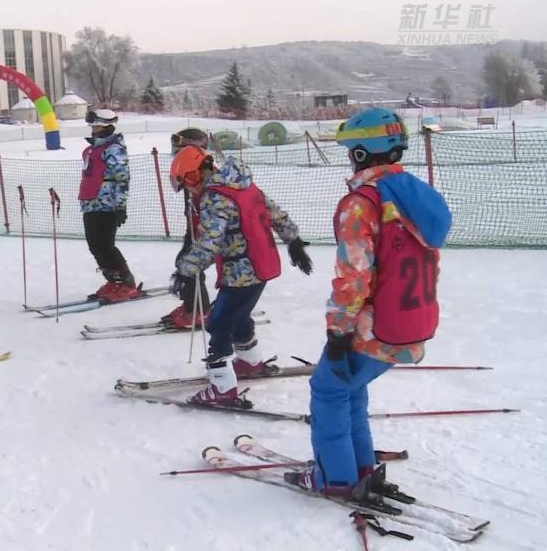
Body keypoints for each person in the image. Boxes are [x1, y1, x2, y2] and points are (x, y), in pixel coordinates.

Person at [288, 108, 451, 503]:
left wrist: (338, 330)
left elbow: (354, 275)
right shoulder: (415, 197)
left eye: (351, 150)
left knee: (327, 390)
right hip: (412, 319)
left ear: (362, 153)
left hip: (375, 326)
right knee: (350, 388)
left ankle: (336, 478)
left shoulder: (362, 203)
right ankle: (359, 467)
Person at [169, 145, 313, 407]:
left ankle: (223, 387)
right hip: (262, 266)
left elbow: (211, 241)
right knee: (238, 316)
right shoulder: (243, 184)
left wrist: (186, 269)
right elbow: (274, 212)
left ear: (200, 171)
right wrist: (293, 239)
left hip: (241, 272)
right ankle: (249, 361)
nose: (190, 189)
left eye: (188, 181)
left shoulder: (216, 197)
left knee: (219, 323)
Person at [79, 109, 138, 302]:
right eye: (92, 127)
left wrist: (120, 206)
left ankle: (126, 283)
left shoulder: (114, 149)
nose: (93, 130)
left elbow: (122, 179)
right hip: (91, 204)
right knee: (94, 245)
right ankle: (113, 280)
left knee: (106, 245)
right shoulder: (94, 149)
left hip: (107, 205)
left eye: (96, 127)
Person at [161, 128, 212, 329]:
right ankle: (192, 305)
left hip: (207, 230)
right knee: (183, 262)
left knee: (189, 265)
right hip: (195, 225)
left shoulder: (204, 174)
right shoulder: (191, 170)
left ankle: (199, 311)